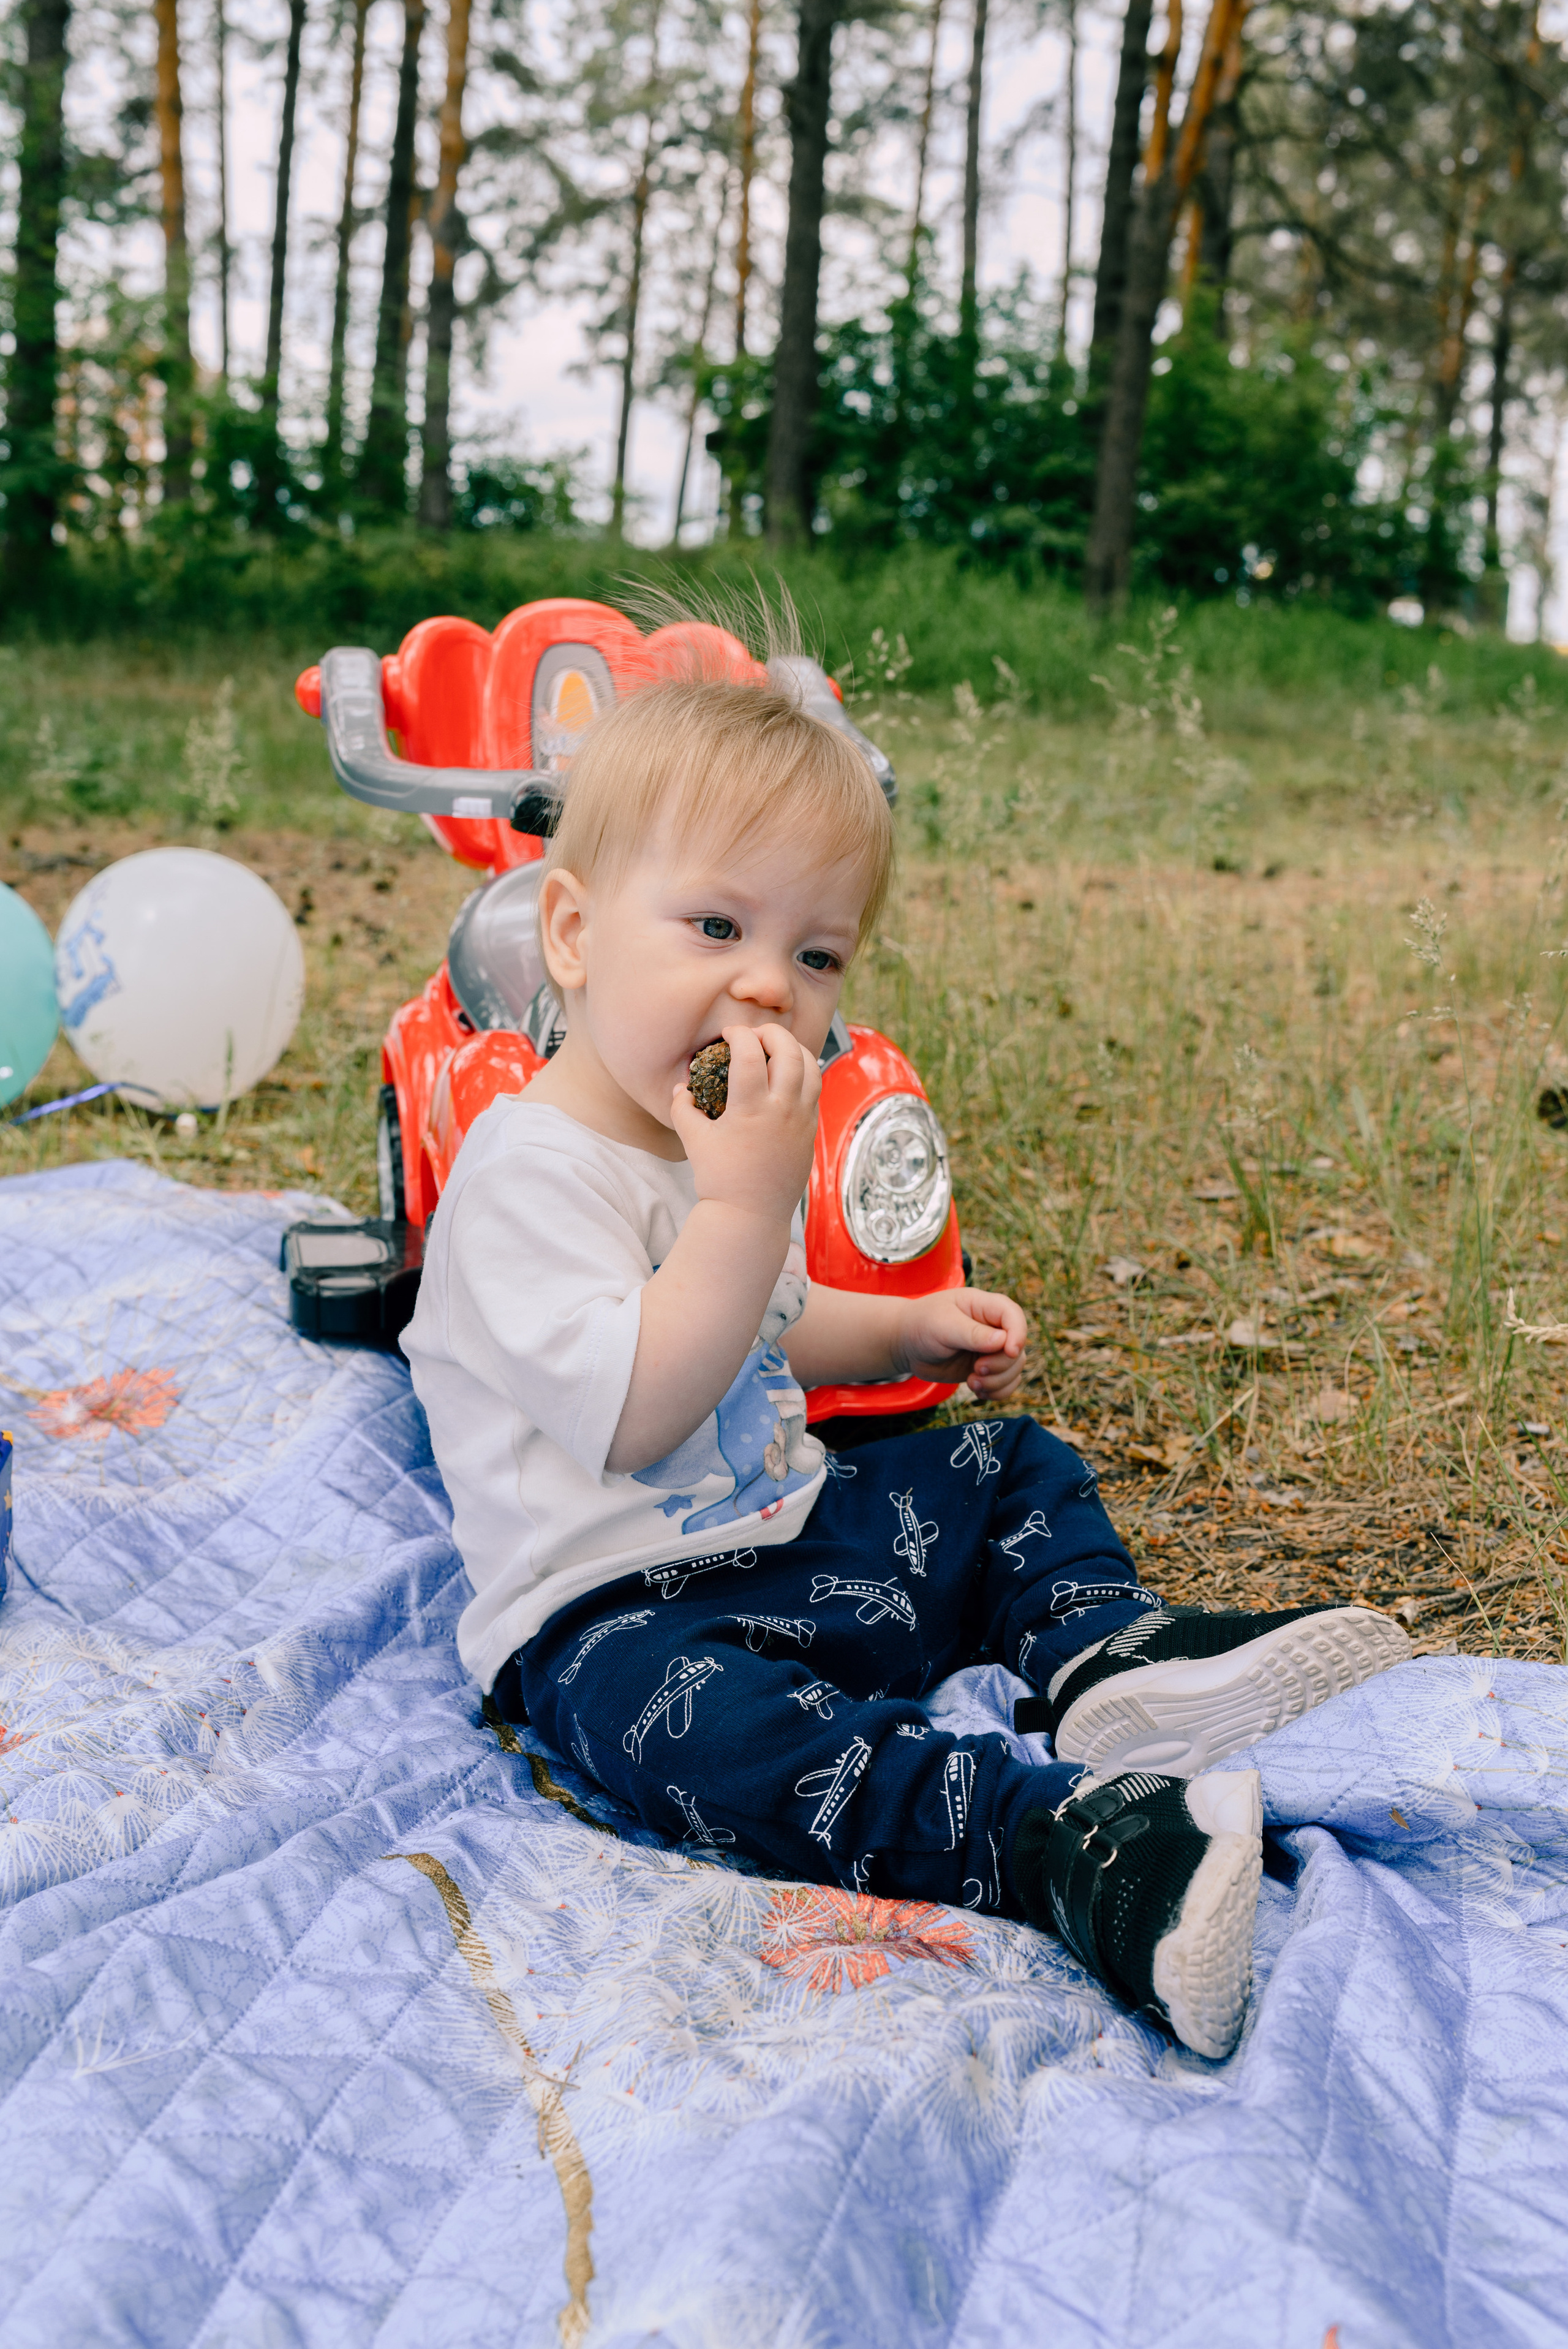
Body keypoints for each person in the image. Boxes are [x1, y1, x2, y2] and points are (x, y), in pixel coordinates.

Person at [402, 653, 1408, 2062]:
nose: (768, 985)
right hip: (623, 1612)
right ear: (569, 932)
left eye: (817, 955)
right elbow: (637, 1411)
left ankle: (1103, 1663)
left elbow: (768, 1325)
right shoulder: (529, 1177)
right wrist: (747, 1200)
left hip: (800, 1533)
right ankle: (1068, 1844)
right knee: (723, 1744)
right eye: (714, 925)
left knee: (1001, 1465)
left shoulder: (695, 1145)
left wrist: (899, 1331)